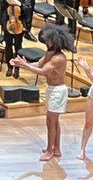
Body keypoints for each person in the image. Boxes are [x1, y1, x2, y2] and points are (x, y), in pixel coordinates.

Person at [11, 24, 74, 162]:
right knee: (53, 121)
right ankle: (56, 148)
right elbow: (39, 65)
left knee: (51, 122)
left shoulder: (59, 58)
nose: (46, 42)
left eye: (48, 40)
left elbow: (43, 71)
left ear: (55, 40)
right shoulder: (49, 54)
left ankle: (50, 150)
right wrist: (21, 64)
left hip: (58, 91)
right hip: (51, 89)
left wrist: (24, 65)